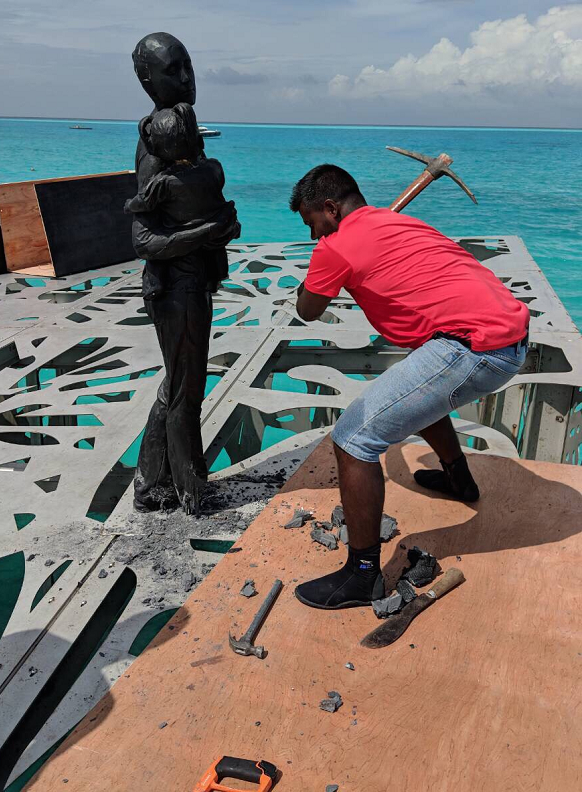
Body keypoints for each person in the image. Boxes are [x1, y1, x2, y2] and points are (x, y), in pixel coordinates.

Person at [289, 164, 529, 609]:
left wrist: (316, 272)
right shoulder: (398, 221)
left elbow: (308, 310)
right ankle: (459, 480)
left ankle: (361, 577)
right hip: (511, 333)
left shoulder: (333, 249)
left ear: (329, 207)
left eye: (312, 224)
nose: (312, 236)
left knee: (353, 439)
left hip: (475, 348)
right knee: (418, 383)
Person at [131, 33, 240, 516]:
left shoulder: (185, 140)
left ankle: (153, 481)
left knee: (177, 386)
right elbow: (142, 241)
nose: (186, 79)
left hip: (193, 282)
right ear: (146, 79)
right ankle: (190, 490)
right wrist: (204, 232)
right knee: (184, 393)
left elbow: (211, 214)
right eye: (174, 70)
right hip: (174, 288)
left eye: (189, 66)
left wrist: (217, 230)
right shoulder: (156, 148)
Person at [125, 102, 237, 298]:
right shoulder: (214, 167)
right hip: (218, 224)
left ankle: (156, 283)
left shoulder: (165, 183)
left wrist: (128, 205)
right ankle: (217, 274)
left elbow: (143, 203)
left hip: (183, 260)